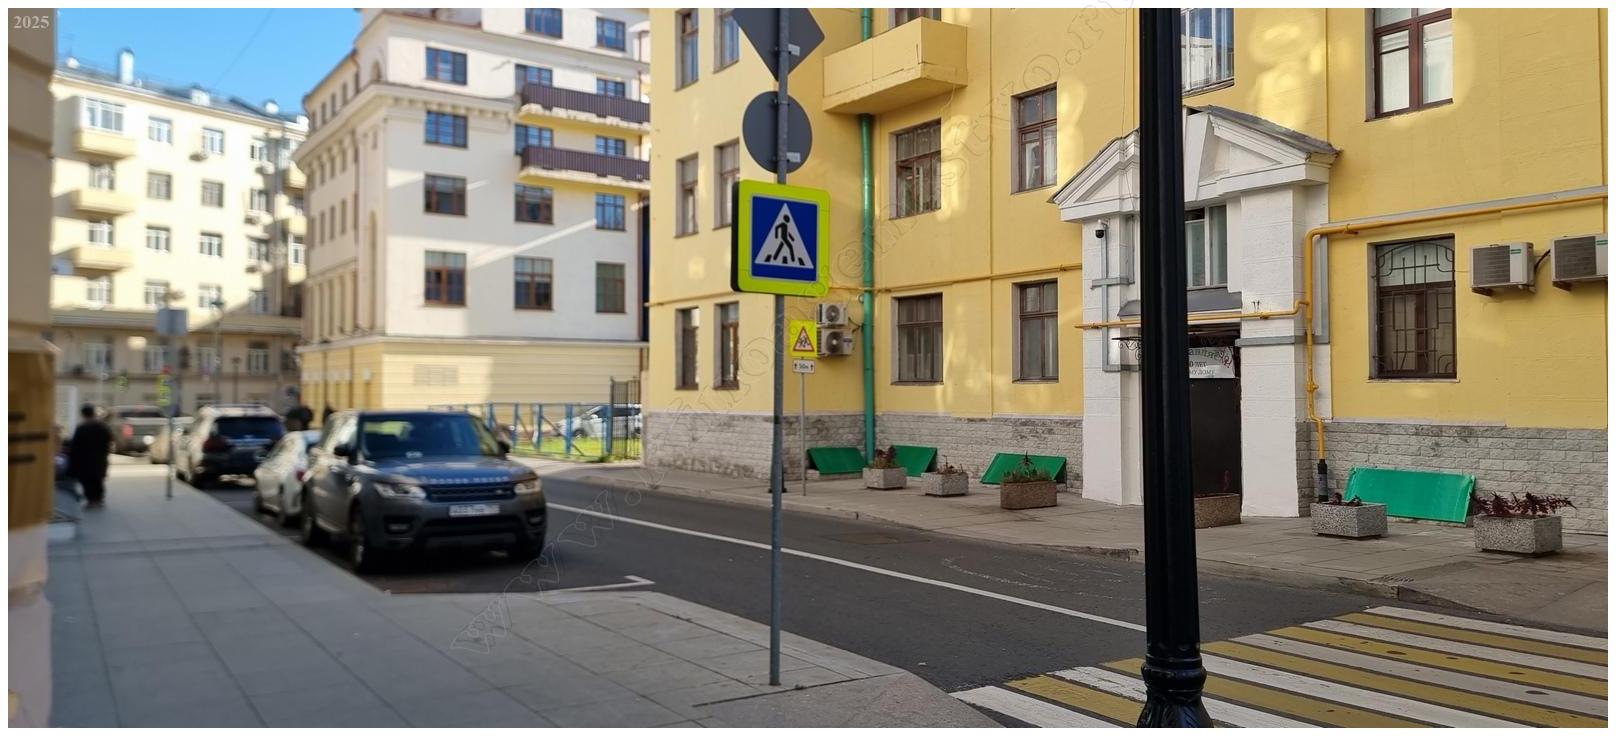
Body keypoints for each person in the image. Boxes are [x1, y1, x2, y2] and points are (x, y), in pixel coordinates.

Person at [67, 404, 112, 510]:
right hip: (100, 458)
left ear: (83, 414)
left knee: (87, 480)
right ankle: (99, 500)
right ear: (93, 413)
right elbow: (109, 440)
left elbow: (75, 446)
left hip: (85, 460)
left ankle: (91, 501)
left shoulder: (81, 428)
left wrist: (73, 459)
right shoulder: (103, 427)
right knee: (98, 479)